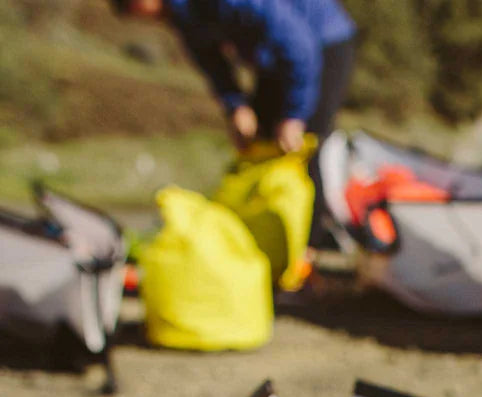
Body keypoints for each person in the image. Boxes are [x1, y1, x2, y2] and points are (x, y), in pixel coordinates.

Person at [112, 0, 357, 244]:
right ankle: (260, 239)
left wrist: (294, 115)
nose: (130, 12)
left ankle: (307, 246)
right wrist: (236, 106)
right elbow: (210, 59)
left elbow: (296, 42)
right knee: (259, 141)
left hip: (321, 42)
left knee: (301, 148)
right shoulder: (180, 14)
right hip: (278, 54)